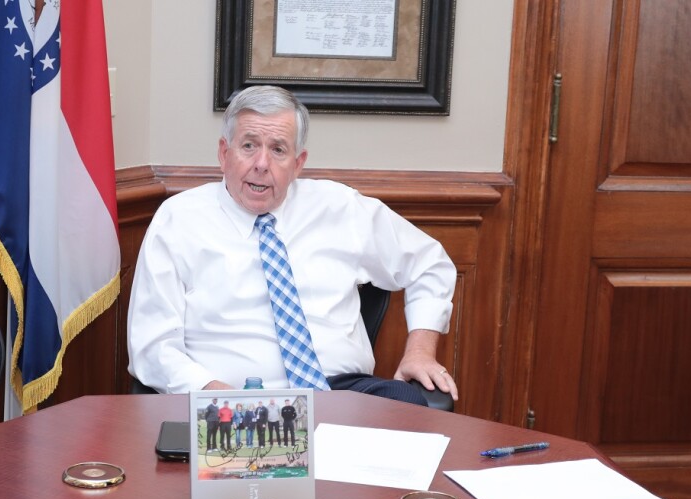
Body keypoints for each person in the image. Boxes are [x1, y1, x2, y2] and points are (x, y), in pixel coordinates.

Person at [127, 85, 458, 406]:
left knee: (407, 403)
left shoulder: (340, 207)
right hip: (229, 397)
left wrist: (420, 351)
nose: (261, 163)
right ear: (223, 153)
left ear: (298, 163)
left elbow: (429, 264)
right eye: (248, 146)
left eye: (278, 149)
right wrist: (215, 393)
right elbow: (152, 346)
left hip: (339, 391)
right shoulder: (179, 220)